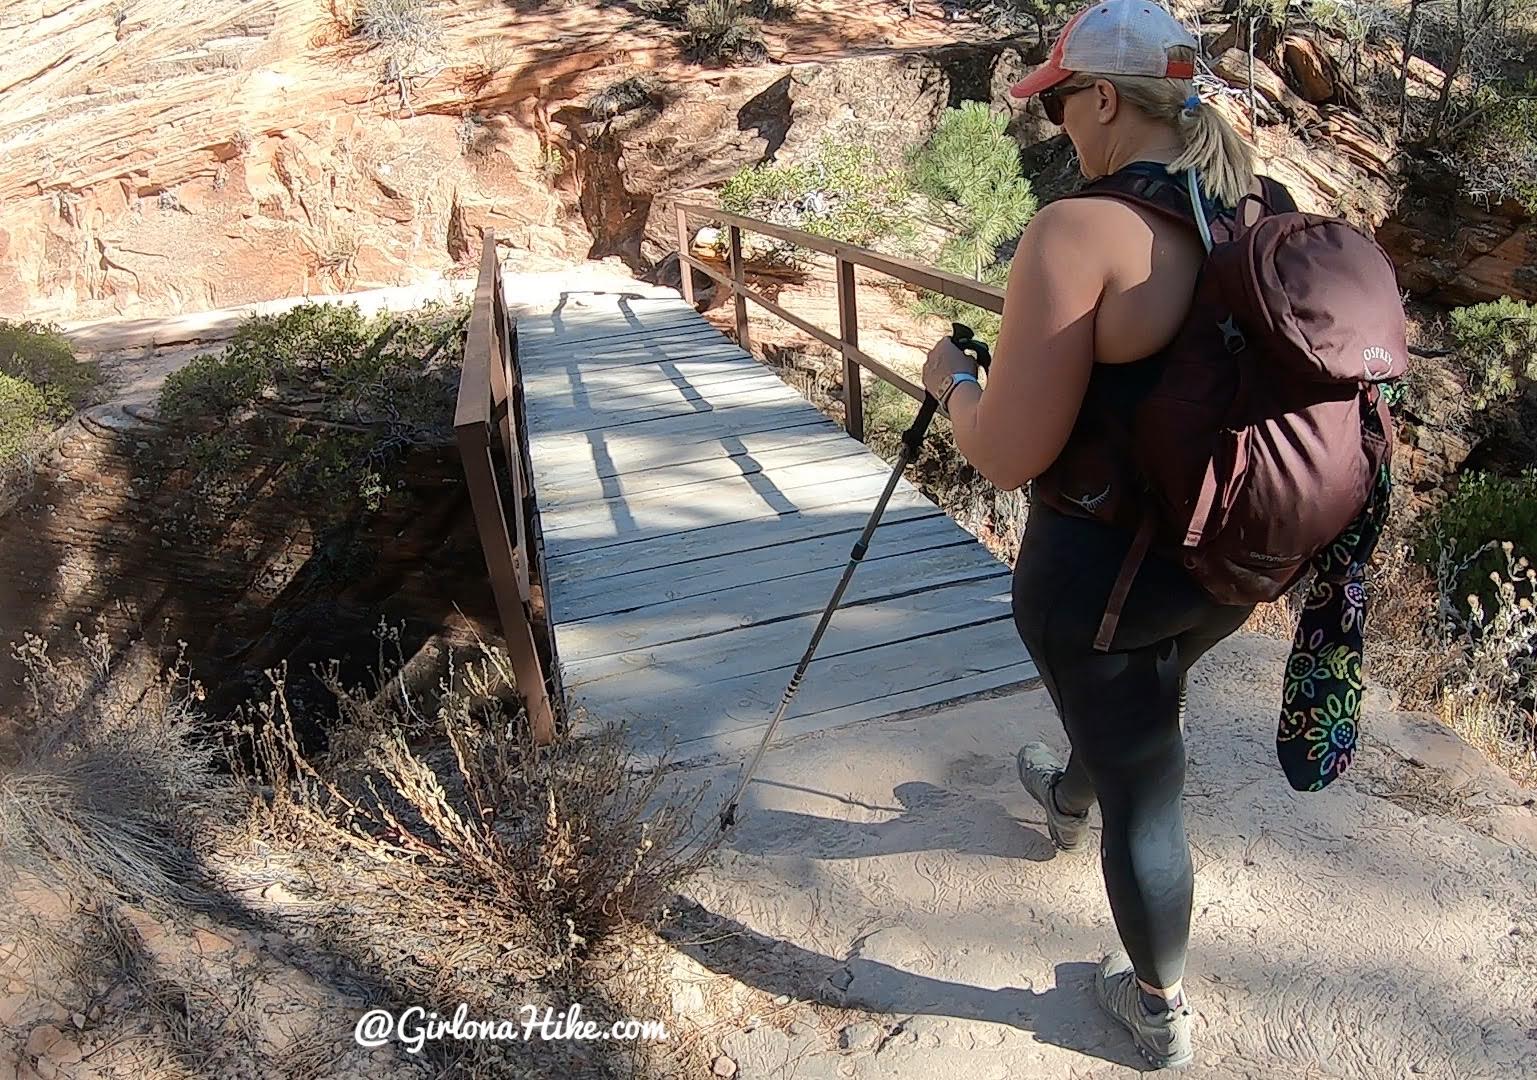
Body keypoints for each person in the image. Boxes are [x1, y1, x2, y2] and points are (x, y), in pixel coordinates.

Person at [919, 1, 1302, 1069]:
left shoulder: (1079, 231)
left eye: (1062, 107)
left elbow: (1006, 451)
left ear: (1100, 98)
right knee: (1132, 706)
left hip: (1097, 580)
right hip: (1228, 561)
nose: (1060, 133)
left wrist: (953, 384)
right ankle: (1066, 791)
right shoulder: (1255, 203)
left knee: (1148, 777)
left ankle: (1155, 1008)